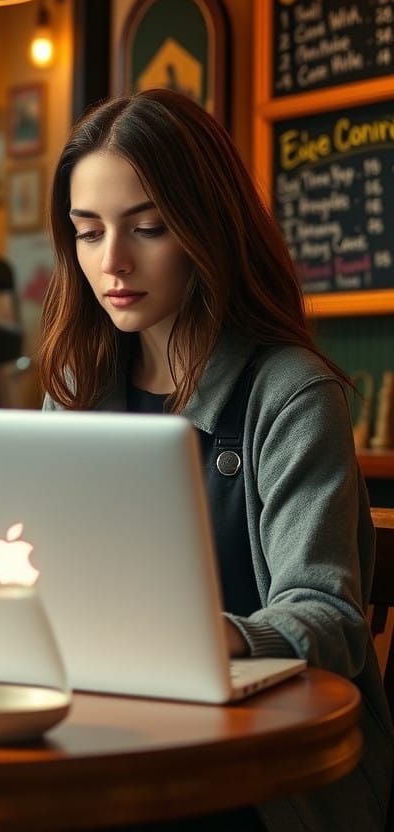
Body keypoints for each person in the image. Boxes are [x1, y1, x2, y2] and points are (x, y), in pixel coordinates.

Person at [38, 88, 394, 832]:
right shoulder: (74, 397)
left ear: (206, 229)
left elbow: (328, 616)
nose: (114, 262)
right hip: (104, 745)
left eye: (149, 228)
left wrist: (206, 634)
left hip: (255, 784)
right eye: (88, 231)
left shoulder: (291, 393)